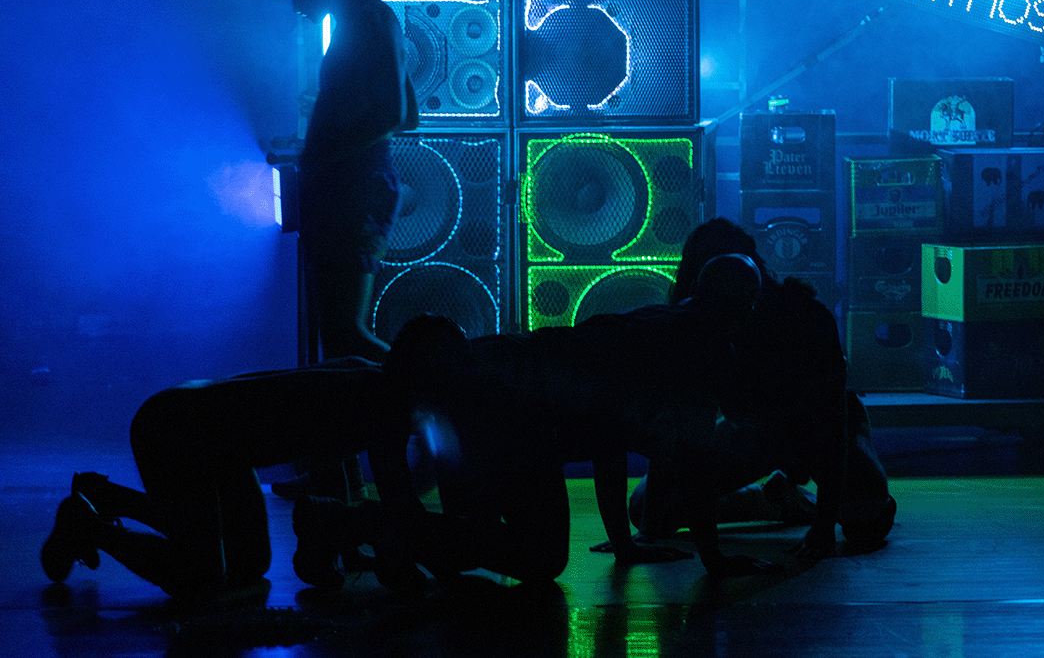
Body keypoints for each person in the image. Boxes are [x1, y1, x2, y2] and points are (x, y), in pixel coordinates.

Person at [380, 256, 779, 579]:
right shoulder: (708, 350)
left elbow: (610, 436)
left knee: (479, 535)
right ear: (746, 308)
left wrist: (624, 545)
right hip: (519, 414)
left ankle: (398, 531)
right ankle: (391, 529)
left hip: (494, 380)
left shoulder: (655, 321)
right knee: (539, 558)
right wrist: (714, 561)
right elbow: (693, 467)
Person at [627, 218, 897, 554]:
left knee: (868, 518)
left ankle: (792, 500)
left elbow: (831, 424)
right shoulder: (698, 327)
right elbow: (679, 428)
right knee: (646, 508)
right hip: (753, 431)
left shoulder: (806, 317)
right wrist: (648, 532)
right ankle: (770, 500)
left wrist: (824, 526)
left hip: (815, 429)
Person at [38, 359, 414, 599]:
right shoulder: (388, 407)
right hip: (176, 430)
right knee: (201, 580)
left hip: (198, 429)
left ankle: (106, 497)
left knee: (249, 564)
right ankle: (87, 526)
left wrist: (346, 547)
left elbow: (331, 461)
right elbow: (398, 504)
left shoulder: (367, 377)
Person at [266, 0, 417, 363]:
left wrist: (321, 154)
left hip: (354, 192)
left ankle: (431, 390)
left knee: (344, 335)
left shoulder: (366, 19)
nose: (296, 4)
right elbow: (408, 113)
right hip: (353, 188)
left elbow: (393, 114)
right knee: (339, 336)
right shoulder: (366, 17)